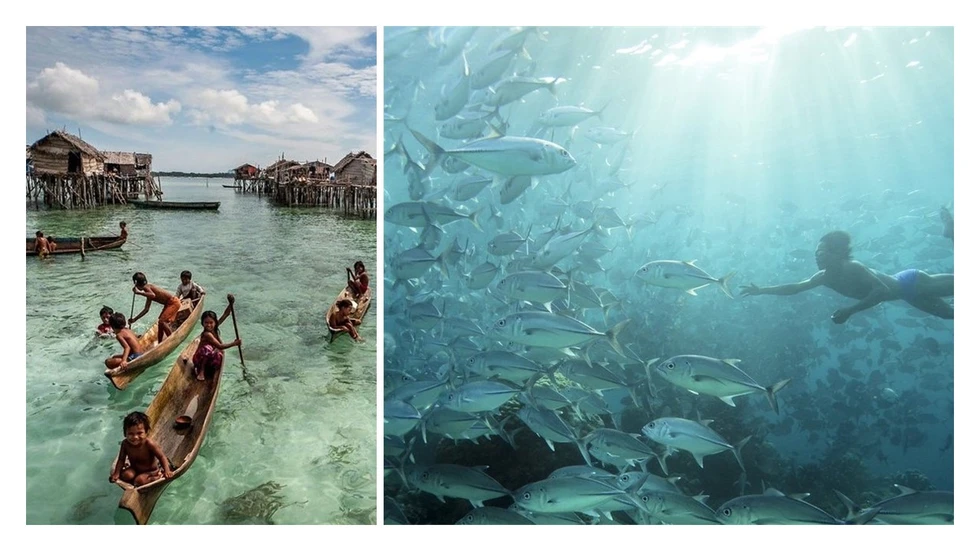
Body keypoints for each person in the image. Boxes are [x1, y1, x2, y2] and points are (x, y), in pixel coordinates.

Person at [740, 230, 953, 323]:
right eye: (816, 254)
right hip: (908, 294)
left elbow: (882, 290)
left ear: (839, 252)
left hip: (912, 282)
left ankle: (951, 229)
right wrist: (761, 291)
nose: (817, 257)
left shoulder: (853, 267)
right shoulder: (823, 277)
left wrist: (850, 311)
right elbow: (795, 287)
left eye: (822, 253)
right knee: (949, 315)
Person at [109, 411, 173, 487]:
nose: (135, 437)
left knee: (139, 481)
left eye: (139, 433)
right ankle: (136, 479)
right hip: (134, 469)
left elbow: (161, 457)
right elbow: (121, 459)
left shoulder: (149, 444)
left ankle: (158, 476)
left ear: (146, 432)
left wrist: (167, 470)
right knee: (126, 475)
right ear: (125, 433)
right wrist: (116, 473)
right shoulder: (125, 444)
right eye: (131, 434)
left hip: (151, 472)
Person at [190, 295, 240, 381]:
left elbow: (226, 314)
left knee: (218, 354)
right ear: (202, 323)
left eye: (211, 322)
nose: (209, 325)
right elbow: (220, 346)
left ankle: (210, 370)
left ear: (215, 322)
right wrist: (234, 343)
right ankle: (201, 371)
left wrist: (231, 303)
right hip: (199, 359)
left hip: (209, 359)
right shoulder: (207, 334)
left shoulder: (215, 328)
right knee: (208, 348)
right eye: (206, 323)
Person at [129, 272, 183, 344]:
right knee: (160, 323)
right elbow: (146, 309)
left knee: (162, 322)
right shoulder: (147, 291)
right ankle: (160, 343)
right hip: (168, 304)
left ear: (136, 284)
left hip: (173, 302)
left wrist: (139, 292)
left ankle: (173, 340)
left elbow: (153, 295)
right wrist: (135, 319)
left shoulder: (147, 287)